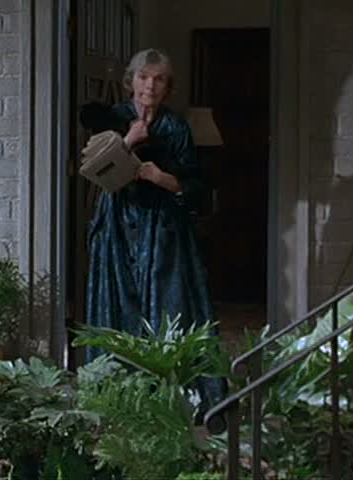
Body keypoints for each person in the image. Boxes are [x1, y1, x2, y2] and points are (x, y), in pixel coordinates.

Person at [81, 48, 227, 421]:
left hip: (161, 228)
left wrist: (158, 177)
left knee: (170, 303)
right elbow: (93, 170)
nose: (150, 85)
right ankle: (118, 401)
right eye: (144, 77)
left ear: (167, 87)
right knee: (117, 304)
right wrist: (128, 141)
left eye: (158, 79)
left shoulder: (176, 128)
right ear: (131, 81)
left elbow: (194, 186)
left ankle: (177, 402)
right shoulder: (112, 119)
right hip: (117, 225)